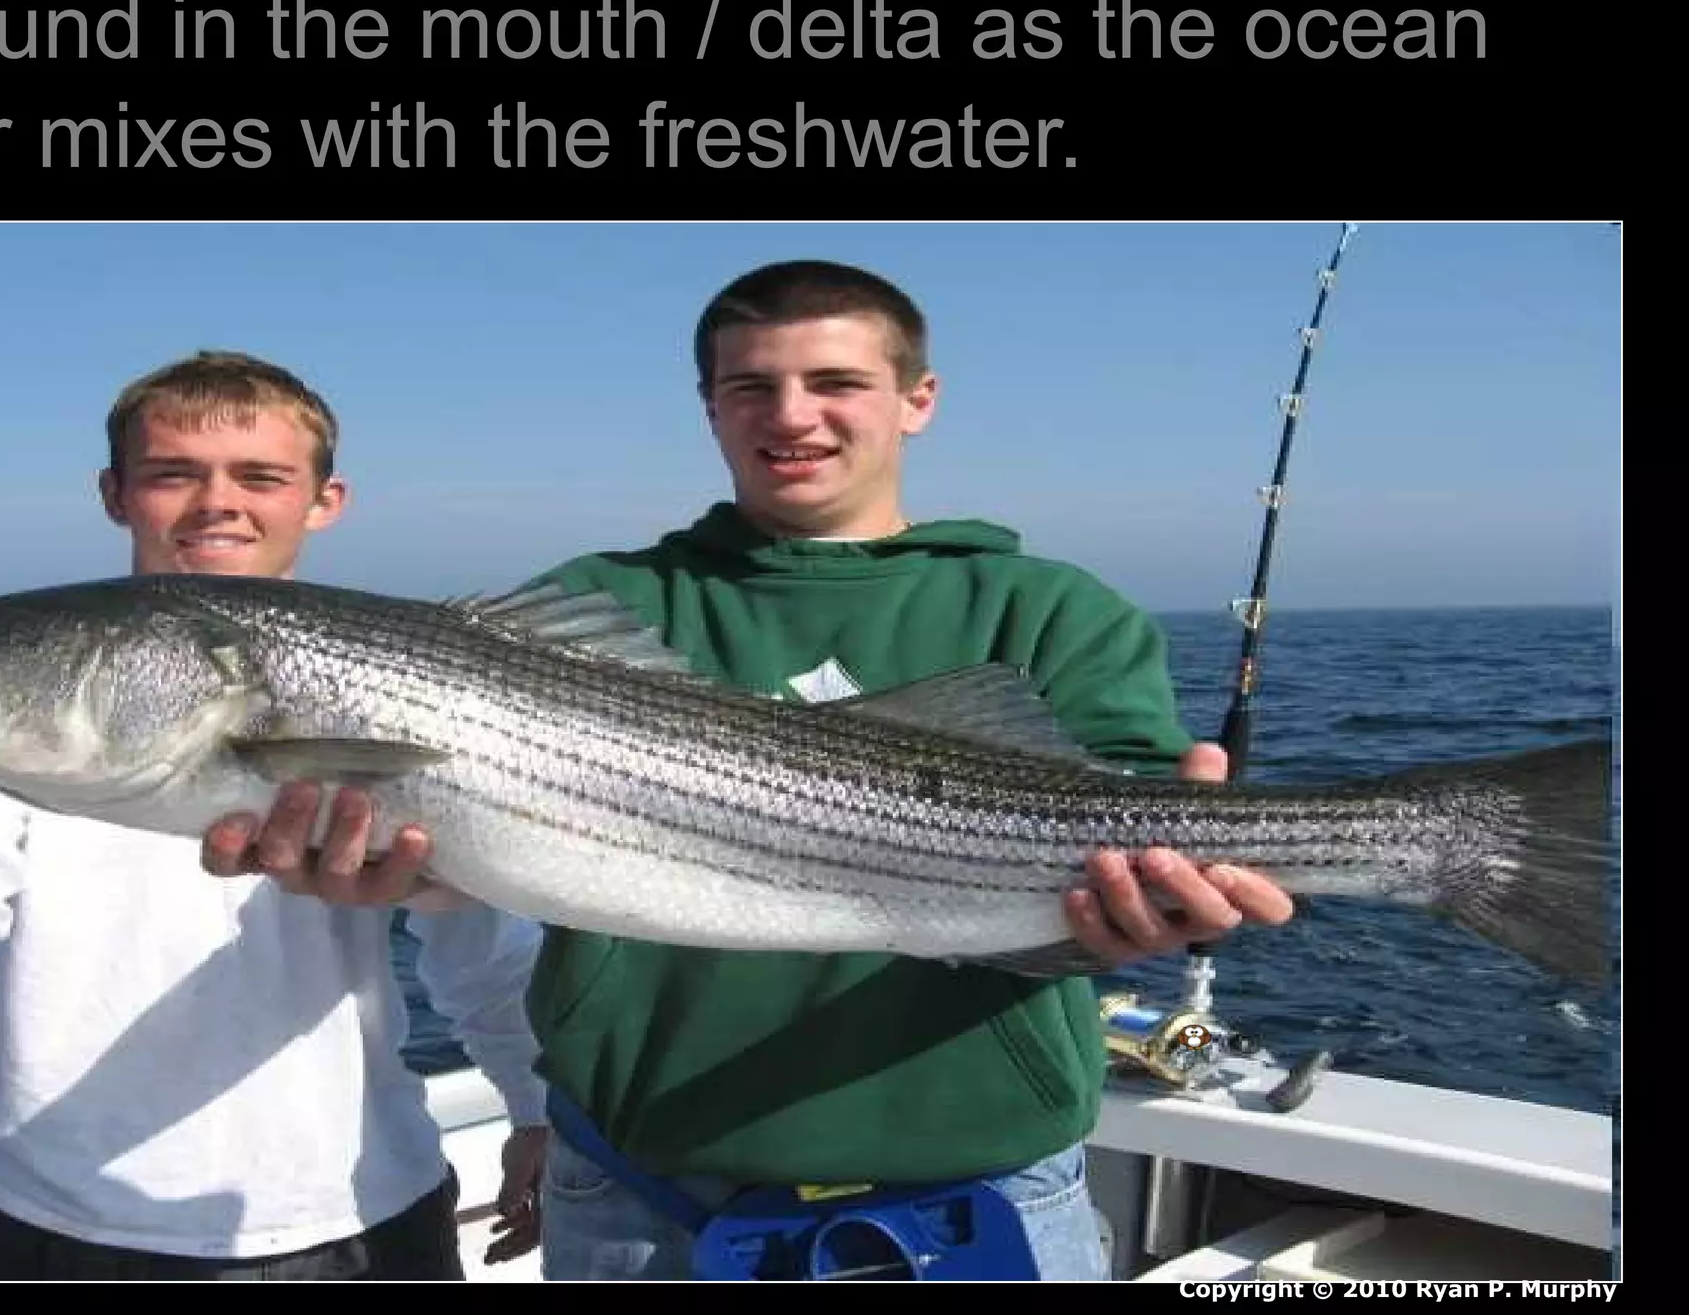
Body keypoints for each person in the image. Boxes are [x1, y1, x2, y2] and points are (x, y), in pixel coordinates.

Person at [212, 262, 1297, 1281]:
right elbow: (483, 854)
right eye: (751, 387)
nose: (790, 416)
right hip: (640, 1194)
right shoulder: (595, 605)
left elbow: (1136, 848)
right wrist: (394, 871)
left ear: (916, 398)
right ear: (711, 407)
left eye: (835, 382)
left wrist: (1160, 902)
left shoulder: (1050, 607)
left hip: (985, 1193)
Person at [0, 350, 550, 1281]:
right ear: (115, 493)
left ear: (324, 499)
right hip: (49, 1223)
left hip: (360, 1209)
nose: (218, 502)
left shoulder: (410, 686)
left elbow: (483, 953)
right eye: (173, 472)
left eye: (261, 476)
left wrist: (536, 1109)